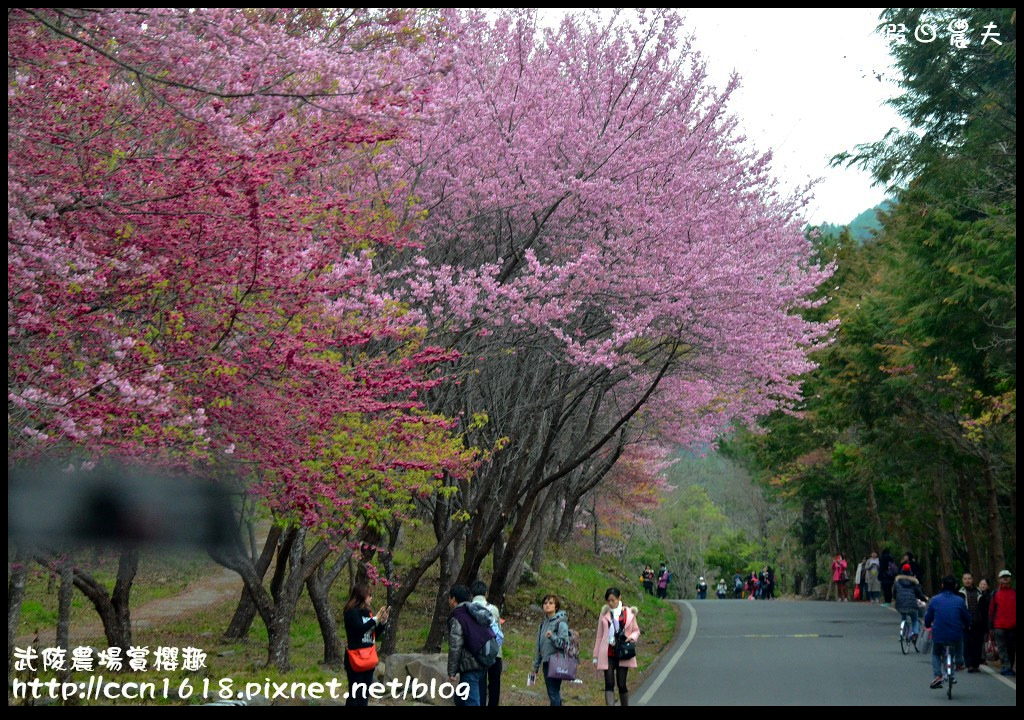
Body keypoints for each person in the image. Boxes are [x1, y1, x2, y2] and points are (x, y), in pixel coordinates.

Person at [342, 583, 389, 706]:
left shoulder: (368, 613)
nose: (371, 598)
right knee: (355, 694)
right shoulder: (351, 612)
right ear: (362, 596)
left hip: (368, 657)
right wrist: (375, 620)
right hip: (355, 658)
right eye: (369, 595)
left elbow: (373, 634)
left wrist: (382, 622)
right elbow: (359, 630)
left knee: (364, 694)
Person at [592, 587, 640, 706]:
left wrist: (632, 637)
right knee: (609, 683)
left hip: (623, 651)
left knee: (621, 683)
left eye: (613, 600)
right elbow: (599, 635)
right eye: (608, 601)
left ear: (619, 598)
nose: (611, 603)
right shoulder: (604, 614)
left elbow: (636, 630)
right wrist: (595, 656)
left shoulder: (629, 613)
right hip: (608, 652)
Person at [447, 584, 493, 706]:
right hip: (482, 660)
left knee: (471, 702)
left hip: (470, 665)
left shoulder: (458, 616)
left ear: (453, 599)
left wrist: (451, 671)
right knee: (460, 699)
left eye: (449, 598)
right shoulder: (474, 612)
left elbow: (455, 645)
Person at [924, 575, 971, 689]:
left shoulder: (935, 600)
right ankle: (959, 662)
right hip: (955, 634)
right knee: (959, 643)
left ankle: (937, 675)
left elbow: (928, 617)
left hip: (939, 633)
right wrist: (967, 625)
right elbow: (967, 617)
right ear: (955, 586)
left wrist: (927, 624)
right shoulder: (959, 601)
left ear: (942, 585)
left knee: (936, 653)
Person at [533, 594, 570, 706]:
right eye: (545, 603)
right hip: (545, 662)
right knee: (553, 692)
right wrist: (535, 667)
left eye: (551, 603)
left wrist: (553, 637)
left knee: (553, 692)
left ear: (556, 606)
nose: (547, 605)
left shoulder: (561, 623)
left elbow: (564, 644)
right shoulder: (542, 624)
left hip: (556, 661)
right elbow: (539, 647)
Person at [471, 580, 503, 706]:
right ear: (486, 593)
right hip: (494, 652)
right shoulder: (493, 609)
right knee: (494, 682)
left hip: (477, 651)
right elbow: (498, 631)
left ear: (472, 594)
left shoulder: (468, 608)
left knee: (480, 682)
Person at [989, 570, 1016, 676]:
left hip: (1013, 626)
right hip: (999, 625)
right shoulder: (995, 593)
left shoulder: (1014, 593)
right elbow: (991, 610)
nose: (1005, 579)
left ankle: (1009, 666)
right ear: (999, 579)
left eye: (1007, 577)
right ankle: (1006, 666)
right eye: (1003, 577)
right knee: (1002, 647)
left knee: (1011, 648)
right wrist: (990, 626)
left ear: (1010, 579)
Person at [893, 563, 928, 643]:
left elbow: (894, 593)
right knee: (915, 620)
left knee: (903, 617)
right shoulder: (915, 582)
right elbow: (919, 593)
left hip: (900, 604)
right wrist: (925, 599)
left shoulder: (897, 581)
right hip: (912, 604)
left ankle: (902, 634)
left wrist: (896, 599)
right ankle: (915, 633)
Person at [959, 573, 985, 672]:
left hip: (978, 622)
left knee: (977, 645)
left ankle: (976, 664)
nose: (967, 580)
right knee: (967, 644)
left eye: (969, 578)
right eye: (965, 578)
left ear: (973, 580)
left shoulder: (979, 592)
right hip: (965, 623)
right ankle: (969, 664)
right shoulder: (961, 593)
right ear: (962, 580)